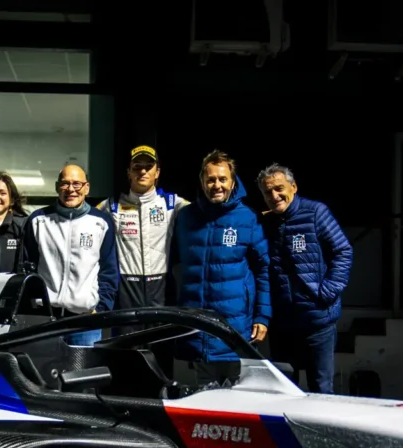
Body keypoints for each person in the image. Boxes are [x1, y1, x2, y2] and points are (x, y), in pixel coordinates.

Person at [171, 149, 270, 386]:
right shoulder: (185, 217)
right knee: (205, 395)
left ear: (233, 182)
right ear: (202, 182)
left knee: (238, 396)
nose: (217, 185)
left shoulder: (248, 218)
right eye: (211, 179)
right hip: (199, 329)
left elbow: (263, 269)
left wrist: (263, 316)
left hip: (236, 328)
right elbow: (175, 265)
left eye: (223, 179)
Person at [256, 163, 352, 394]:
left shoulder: (316, 213)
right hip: (282, 324)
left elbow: (343, 251)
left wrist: (326, 292)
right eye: (268, 192)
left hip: (318, 322)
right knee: (284, 391)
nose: (274, 196)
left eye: (279, 188)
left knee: (321, 390)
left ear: (294, 187)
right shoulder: (266, 223)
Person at [20, 164, 119, 347]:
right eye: (65, 183)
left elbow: (109, 270)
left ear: (86, 188)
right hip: (44, 320)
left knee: (81, 366)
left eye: (77, 184)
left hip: (85, 322)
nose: (71, 189)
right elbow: (27, 268)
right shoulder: (38, 220)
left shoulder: (101, 222)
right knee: (42, 365)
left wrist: (100, 309)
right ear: (57, 187)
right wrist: (33, 306)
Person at [96, 145, 190, 316]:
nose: (143, 171)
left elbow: (203, 212)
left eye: (148, 167)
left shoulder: (171, 203)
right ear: (129, 172)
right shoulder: (112, 205)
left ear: (157, 172)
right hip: (126, 289)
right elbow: (85, 217)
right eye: (137, 167)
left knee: (160, 334)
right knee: (126, 334)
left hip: (161, 288)